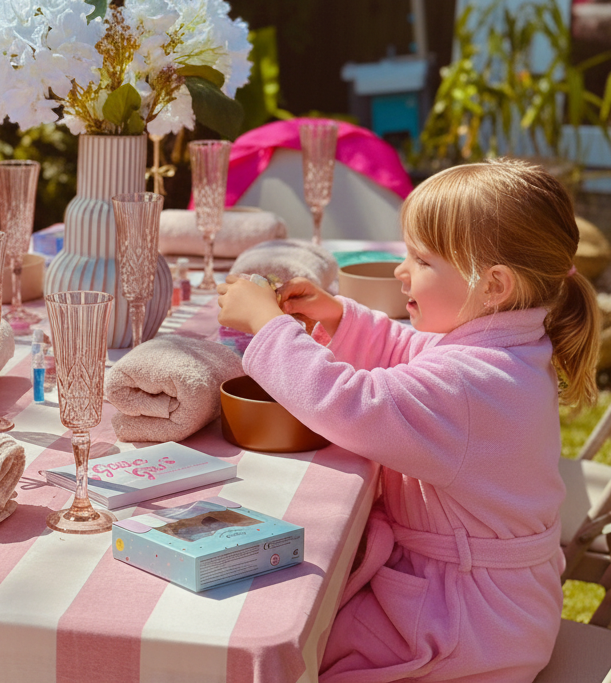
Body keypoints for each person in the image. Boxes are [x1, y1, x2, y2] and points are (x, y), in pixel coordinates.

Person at [216, 158, 600, 682]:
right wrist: (340, 317)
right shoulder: (506, 346)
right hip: (496, 606)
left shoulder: (470, 385)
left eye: (420, 259)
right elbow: (415, 350)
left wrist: (266, 325)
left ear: (493, 286)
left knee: (293, 647)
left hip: (464, 629)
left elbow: (348, 401)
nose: (402, 272)